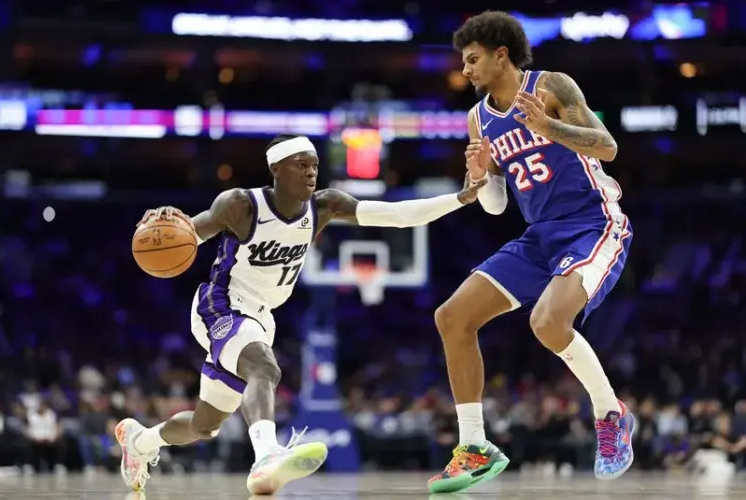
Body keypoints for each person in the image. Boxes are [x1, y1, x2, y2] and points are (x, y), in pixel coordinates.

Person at [116, 134, 486, 494]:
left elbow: (397, 215)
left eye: (314, 166)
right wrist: (164, 224)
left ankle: (141, 442)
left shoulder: (325, 206)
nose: (311, 173)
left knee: (204, 425)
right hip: (221, 304)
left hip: (261, 317)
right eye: (301, 165)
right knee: (265, 367)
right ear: (277, 169)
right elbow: (187, 234)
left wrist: (459, 198)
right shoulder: (241, 205)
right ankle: (266, 457)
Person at [429, 11, 634, 494]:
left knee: (546, 323)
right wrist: (480, 177)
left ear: (502, 54)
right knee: (452, 317)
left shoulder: (551, 86)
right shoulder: (478, 117)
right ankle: (475, 446)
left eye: (474, 59)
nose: (467, 70)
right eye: (464, 61)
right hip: (539, 235)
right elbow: (498, 206)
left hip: (592, 224)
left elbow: (606, 148)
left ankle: (611, 414)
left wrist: (550, 127)